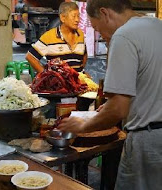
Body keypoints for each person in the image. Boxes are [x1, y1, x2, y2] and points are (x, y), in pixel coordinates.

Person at [58, 0, 162, 189]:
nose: (102, 36)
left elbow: (118, 110)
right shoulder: (157, 26)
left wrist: (82, 126)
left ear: (105, 13)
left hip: (148, 143)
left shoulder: (124, 36)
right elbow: (151, 84)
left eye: (98, 28)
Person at [26, 2, 87, 73]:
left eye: (78, 16)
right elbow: (30, 57)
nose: (77, 20)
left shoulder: (80, 35)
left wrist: (81, 72)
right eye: (74, 16)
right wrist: (45, 75)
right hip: (58, 83)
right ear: (63, 18)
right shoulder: (49, 36)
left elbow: (84, 57)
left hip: (78, 82)